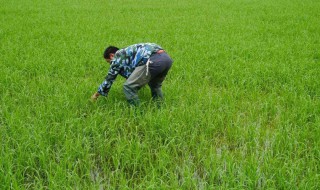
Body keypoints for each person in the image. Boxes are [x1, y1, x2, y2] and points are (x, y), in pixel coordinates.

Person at [91, 42, 173, 106]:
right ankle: (159, 108)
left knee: (128, 87)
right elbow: (134, 72)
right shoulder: (129, 52)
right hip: (166, 59)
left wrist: (96, 95)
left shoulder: (118, 55)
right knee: (155, 86)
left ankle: (138, 113)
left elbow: (110, 78)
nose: (110, 64)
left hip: (153, 61)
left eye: (109, 62)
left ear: (112, 55)